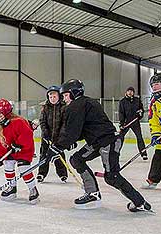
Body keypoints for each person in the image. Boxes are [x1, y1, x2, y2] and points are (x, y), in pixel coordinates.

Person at [45, 79, 151, 212]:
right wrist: (70, 143)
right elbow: (87, 128)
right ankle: (92, 193)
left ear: (74, 93)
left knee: (111, 176)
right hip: (98, 141)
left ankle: (140, 202)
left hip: (108, 141)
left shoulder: (76, 106)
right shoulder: (88, 102)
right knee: (77, 159)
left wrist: (57, 147)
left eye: (65, 95)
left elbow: (71, 132)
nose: (64, 99)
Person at [0, 98, 39, 204]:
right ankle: (12, 188)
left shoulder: (19, 121)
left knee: (23, 168)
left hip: (23, 150)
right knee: (7, 164)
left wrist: (19, 145)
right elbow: (0, 144)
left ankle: (32, 189)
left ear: (7, 112)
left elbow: (27, 135)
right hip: (11, 151)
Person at [37, 85, 68, 183]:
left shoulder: (64, 107)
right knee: (44, 155)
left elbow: (65, 123)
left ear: (59, 96)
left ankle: (63, 174)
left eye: (54, 96)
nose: (52, 99)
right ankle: (41, 173)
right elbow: (42, 121)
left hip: (58, 138)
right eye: (50, 97)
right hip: (47, 138)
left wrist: (61, 135)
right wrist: (45, 133)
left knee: (59, 155)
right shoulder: (45, 107)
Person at [118, 86, 147, 160]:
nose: (130, 92)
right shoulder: (122, 101)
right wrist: (121, 123)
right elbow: (121, 113)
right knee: (120, 138)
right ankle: (116, 153)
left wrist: (140, 114)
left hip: (135, 122)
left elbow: (141, 110)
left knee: (139, 137)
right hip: (126, 122)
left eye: (132, 91)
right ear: (126, 92)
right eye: (129, 91)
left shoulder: (137, 100)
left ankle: (143, 153)